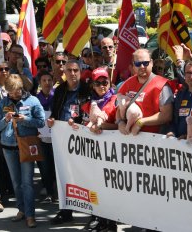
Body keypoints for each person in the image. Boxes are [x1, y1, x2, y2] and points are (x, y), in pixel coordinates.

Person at [0, 74, 45, 228]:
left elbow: (41, 122)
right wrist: (6, 119)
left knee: (27, 183)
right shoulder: (3, 102)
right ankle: (21, 209)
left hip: (26, 147)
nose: (13, 94)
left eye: (16, 91)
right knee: (16, 183)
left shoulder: (33, 101)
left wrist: (25, 120)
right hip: (8, 148)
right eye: (10, 92)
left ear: (21, 88)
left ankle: (30, 215)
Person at [47, 59, 91, 225]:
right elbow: (55, 113)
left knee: (86, 177)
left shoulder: (87, 90)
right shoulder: (59, 90)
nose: (72, 74)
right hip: (63, 141)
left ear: (80, 72)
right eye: (69, 70)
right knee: (65, 176)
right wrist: (52, 121)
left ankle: (94, 214)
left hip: (82, 142)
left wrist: (79, 124)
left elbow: (90, 113)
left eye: (75, 70)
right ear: (64, 72)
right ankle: (65, 211)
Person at [81, 67, 118, 231]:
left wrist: (102, 126)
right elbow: (79, 123)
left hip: (113, 153)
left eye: (105, 82)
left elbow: (119, 126)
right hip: (94, 153)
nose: (102, 86)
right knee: (96, 188)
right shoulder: (88, 104)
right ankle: (100, 219)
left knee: (111, 189)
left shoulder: (116, 100)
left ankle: (111, 223)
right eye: (98, 83)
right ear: (93, 86)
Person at [116, 49, 173, 135]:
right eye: (138, 64)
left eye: (145, 63)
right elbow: (119, 108)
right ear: (133, 66)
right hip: (129, 140)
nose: (142, 66)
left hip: (153, 140)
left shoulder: (162, 85)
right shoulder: (127, 83)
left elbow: (167, 115)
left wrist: (141, 122)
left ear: (152, 63)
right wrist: (120, 122)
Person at [34, 70, 56, 203]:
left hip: (56, 138)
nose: (47, 83)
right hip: (41, 137)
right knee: (44, 166)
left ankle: (57, 191)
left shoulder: (58, 96)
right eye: (44, 80)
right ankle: (49, 192)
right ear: (40, 83)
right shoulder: (35, 99)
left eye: (49, 80)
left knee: (55, 166)